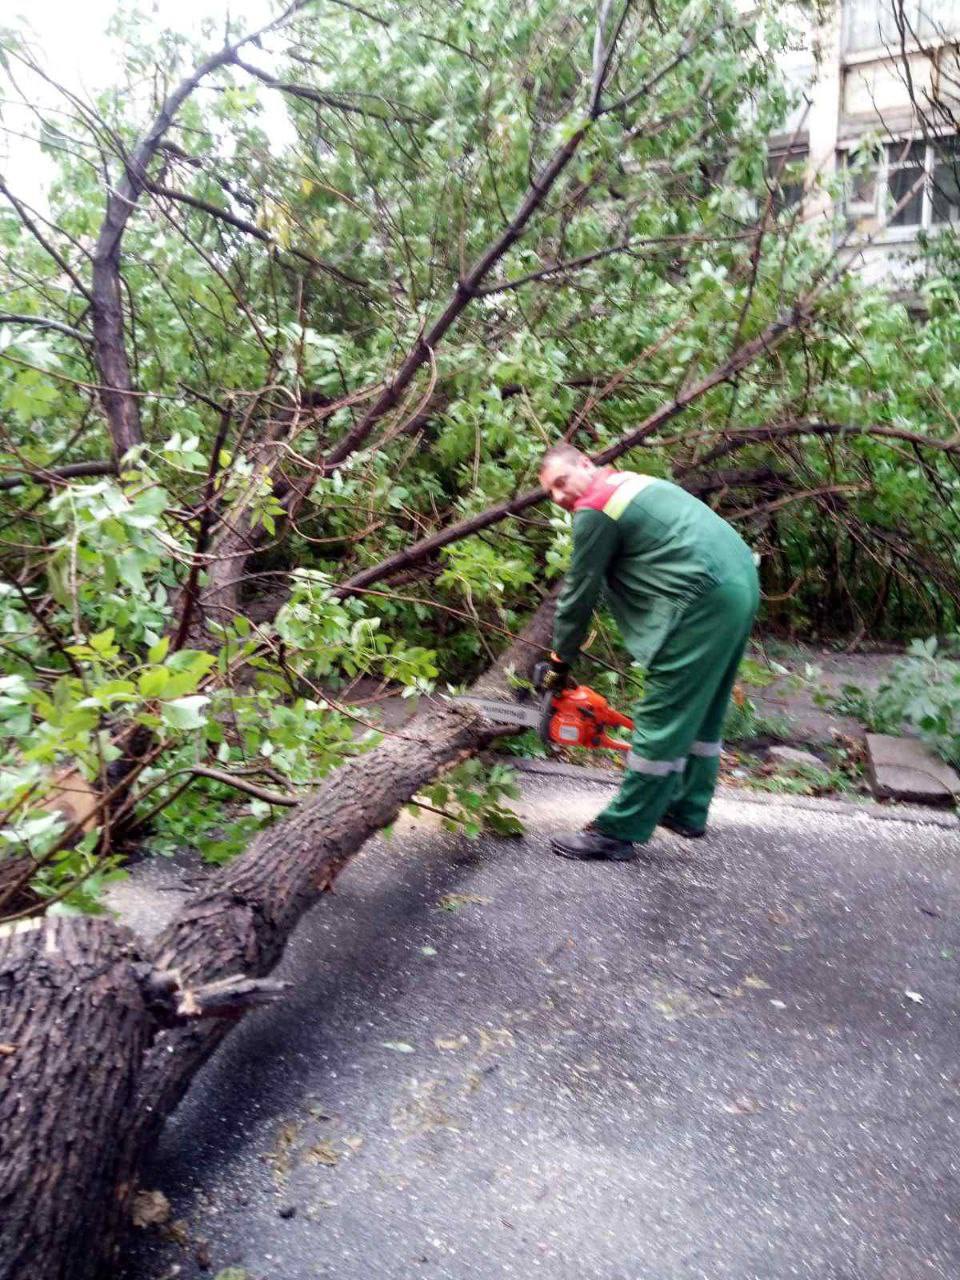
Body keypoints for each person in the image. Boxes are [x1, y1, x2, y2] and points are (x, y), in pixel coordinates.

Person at [539, 444, 759, 861]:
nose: (558, 496)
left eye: (561, 482)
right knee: (704, 708)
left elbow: (578, 596)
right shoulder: (633, 484)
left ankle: (619, 831)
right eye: (551, 492)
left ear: (585, 464)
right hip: (738, 584)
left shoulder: (596, 508)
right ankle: (686, 808)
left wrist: (559, 663)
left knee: (663, 713)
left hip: (700, 599)